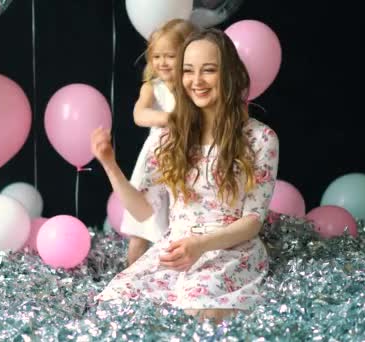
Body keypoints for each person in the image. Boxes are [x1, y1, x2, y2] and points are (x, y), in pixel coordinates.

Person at [91, 28, 279, 322]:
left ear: (229, 75)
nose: (196, 81)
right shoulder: (170, 136)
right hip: (174, 249)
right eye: (188, 71)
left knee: (193, 313)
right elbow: (142, 211)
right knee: (114, 305)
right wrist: (109, 164)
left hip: (228, 253)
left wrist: (201, 245)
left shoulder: (260, 139)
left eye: (209, 70)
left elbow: (252, 221)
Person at [122, 19, 197, 266]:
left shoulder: (193, 87)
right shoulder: (152, 88)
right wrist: (170, 118)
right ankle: (130, 278)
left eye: (170, 56)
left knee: (182, 223)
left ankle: (172, 275)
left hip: (188, 160)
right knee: (143, 224)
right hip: (156, 163)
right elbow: (139, 115)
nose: (162, 63)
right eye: (157, 56)